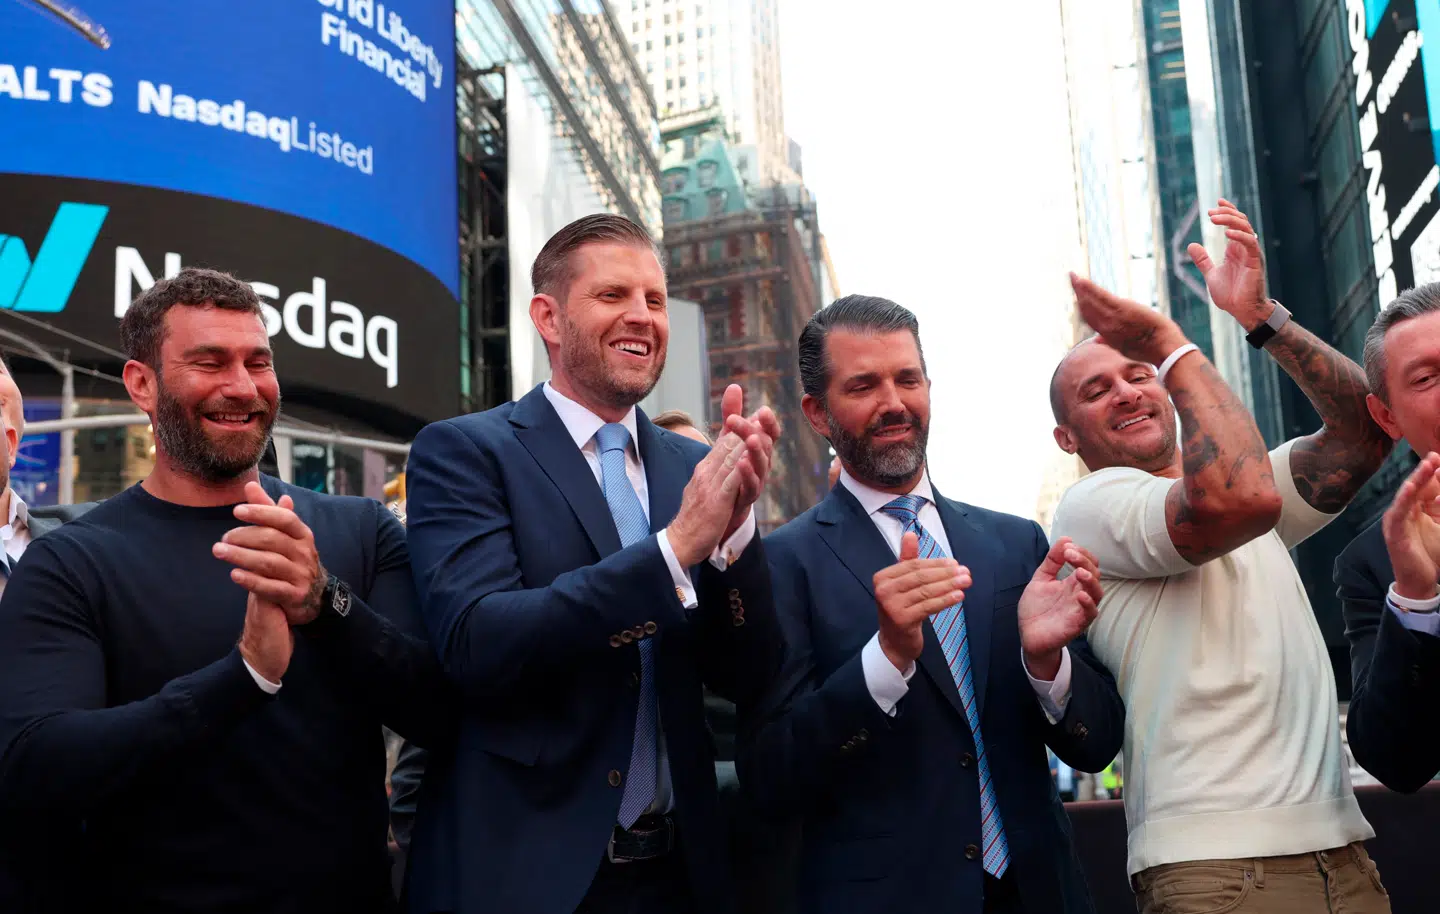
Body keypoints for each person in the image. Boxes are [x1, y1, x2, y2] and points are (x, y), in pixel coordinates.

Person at [0, 267, 452, 913]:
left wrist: (327, 603)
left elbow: (441, 710)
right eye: (210, 362)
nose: (242, 386)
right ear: (142, 384)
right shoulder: (71, 562)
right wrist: (242, 678)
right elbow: (33, 766)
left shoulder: (361, 530)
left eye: (257, 361)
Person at [403, 214, 784, 914]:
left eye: (655, 299)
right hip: (529, 875)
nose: (642, 316)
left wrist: (734, 541)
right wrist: (674, 551)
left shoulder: (695, 470)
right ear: (549, 317)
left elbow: (750, 676)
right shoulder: (465, 452)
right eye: (613, 296)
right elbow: (477, 640)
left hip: (681, 874)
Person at [1050, 201, 1392, 912]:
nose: (1126, 390)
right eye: (1096, 389)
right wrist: (1170, 348)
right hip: (1216, 869)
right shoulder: (1095, 506)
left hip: (1341, 851)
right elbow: (1239, 502)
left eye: (1138, 373)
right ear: (1067, 439)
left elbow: (1367, 433)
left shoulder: (1242, 483)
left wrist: (1263, 316)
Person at [739, 294, 1124, 914]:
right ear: (817, 412)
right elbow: (769, 777)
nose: (893, 402)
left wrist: (1046, 666)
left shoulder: (1015, 542)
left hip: (1040, 891)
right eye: (863, 385)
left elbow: (1097, 743)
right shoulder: (782, 565)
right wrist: (885, 660)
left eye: (907, 379)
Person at [1334, 283, 1440, 792]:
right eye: (1426, 377)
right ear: (1387, 416)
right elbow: (1395, 762)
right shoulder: (1376, 562)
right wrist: (1418, 598)